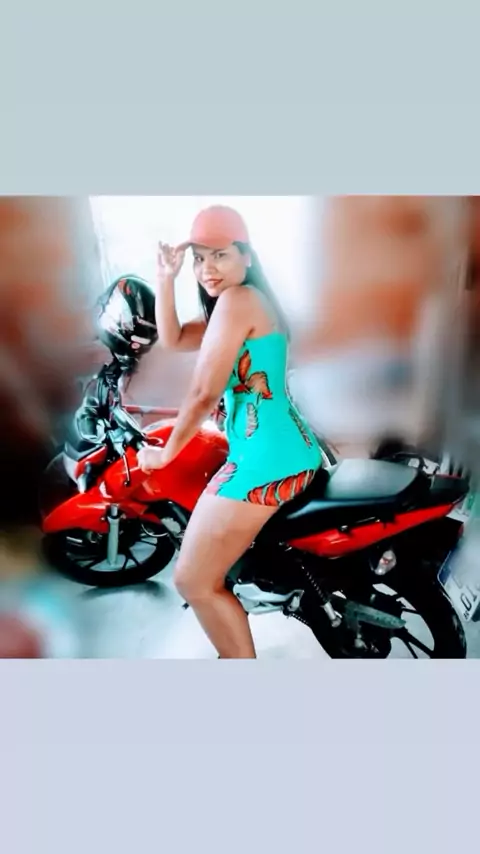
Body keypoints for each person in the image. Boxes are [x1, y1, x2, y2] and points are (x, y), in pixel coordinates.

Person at [137, 205, 322, 659]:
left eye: (219, 255)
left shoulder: (239, 301)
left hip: (264, 461)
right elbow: (172, 339)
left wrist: (164, 454)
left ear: (247, 257)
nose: (207, 268)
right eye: (199, 258)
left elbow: (203, 392)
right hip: (285, 449)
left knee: (192, 579)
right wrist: (165, 278)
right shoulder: (237, 305)